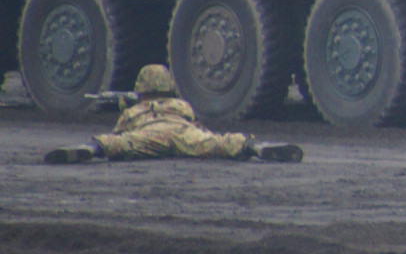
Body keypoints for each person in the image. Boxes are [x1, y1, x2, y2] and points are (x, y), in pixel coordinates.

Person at [42, 64, 302, 164]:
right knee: (219, 142)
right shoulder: (180, 105)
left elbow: (122, 130)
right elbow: (193, 120)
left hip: (149, 135)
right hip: (183, 132)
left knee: (117, 144)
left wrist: (126, 107)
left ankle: (88, 150)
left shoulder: (137, 109)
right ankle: (256, 147)